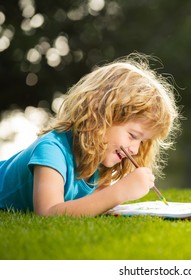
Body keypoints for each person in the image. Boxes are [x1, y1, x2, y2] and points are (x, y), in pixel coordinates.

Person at [0, 53, 181, 217]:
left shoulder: (96, 160)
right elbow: (48, 212)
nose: (135, 149)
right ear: (102, 116)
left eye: (142, 142)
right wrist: (120, 191)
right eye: (133, 135)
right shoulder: (51, 149)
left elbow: (87, 206)